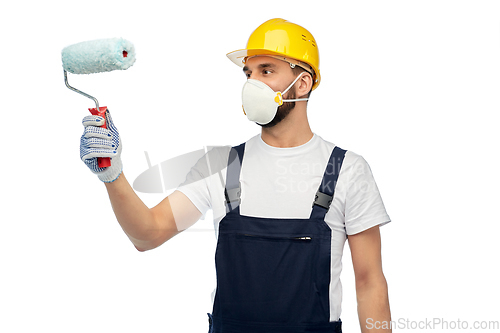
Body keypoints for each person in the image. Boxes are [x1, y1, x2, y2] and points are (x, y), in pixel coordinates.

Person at [80, 18, 392, 333]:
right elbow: (147, 235)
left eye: (266, 71)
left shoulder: (347, 170)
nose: (251, 83)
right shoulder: (221, 165)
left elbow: (370, 283)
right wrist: (112, 174)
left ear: (303, 83)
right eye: (248, 73)